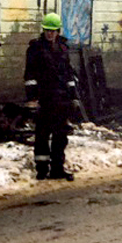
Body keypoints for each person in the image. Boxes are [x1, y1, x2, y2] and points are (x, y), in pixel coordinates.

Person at [24, 12, 79, 180]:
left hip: (61, 99)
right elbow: (30, 75)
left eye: (53, 30)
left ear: (58, 31)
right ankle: (42, 169)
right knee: (42, 134)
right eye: (47, 30)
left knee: (60, 135)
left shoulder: (63, 48)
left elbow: (68, 73)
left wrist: (73, 95)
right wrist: (32, 97)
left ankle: (57, 169)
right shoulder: (35, 48)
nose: (50, 33)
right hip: (45, 99)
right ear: (43, 30)